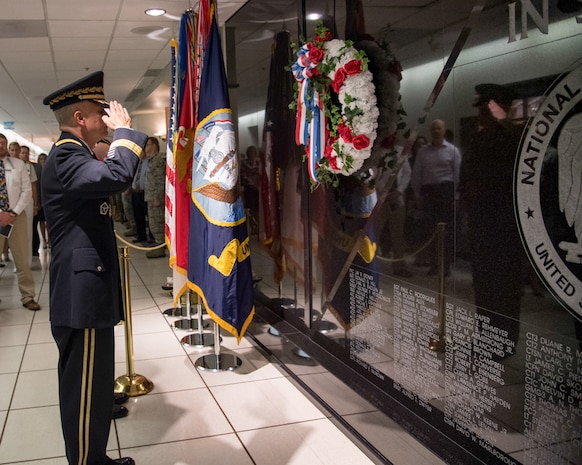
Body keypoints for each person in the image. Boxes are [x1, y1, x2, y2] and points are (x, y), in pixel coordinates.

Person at [42, 70, 147, 465]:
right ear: (81, 117)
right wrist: (124, 132)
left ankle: (95, 458)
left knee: (93, 381)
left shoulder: (76, 154)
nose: (106, 119)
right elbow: (117, 175)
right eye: (99, 113)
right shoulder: (67, 154)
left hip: (87, 289)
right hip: (81, 293)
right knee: (84, 390)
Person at [458, 83, 523, 354]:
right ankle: (487, 338)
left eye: (488, 110)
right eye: (483, 110)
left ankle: (503, 342)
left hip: (503, 224)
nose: (482, 115)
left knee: (504, 286)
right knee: (484, 283)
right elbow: (468, 175)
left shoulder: (511, 138)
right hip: (481, 222)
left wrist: (505, 123)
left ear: (502, 109)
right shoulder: (479, 137)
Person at [411, 119, 461, 275]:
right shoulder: (423, 152)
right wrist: (417, 195)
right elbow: (417, 174)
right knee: (430, 230)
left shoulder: (452, 151)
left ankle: (445, 266)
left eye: (439, 128)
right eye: (433, 129)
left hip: (446, 192)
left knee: (446, 232)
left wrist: (456, 197)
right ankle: (434, 265)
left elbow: (458, 175)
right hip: (429, 193)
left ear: (444, 130)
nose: (436, 131)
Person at [0, 134, 40, 310]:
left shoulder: (18, 165)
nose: (1, 146)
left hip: (17, 216)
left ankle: (28, 296)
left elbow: (26, 190)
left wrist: (13, 212)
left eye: (3, 143)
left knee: (22, 259)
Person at [143, 137, 166, 258]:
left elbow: (160, 180)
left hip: (156, 198)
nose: (145, 147)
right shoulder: (151, 160)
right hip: (150, 196)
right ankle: (158, 245)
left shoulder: (157, 161)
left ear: (155, 145)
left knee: (157, 223)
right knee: (153, 223)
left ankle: (160, 246)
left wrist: (157, 197)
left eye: (148, 145)